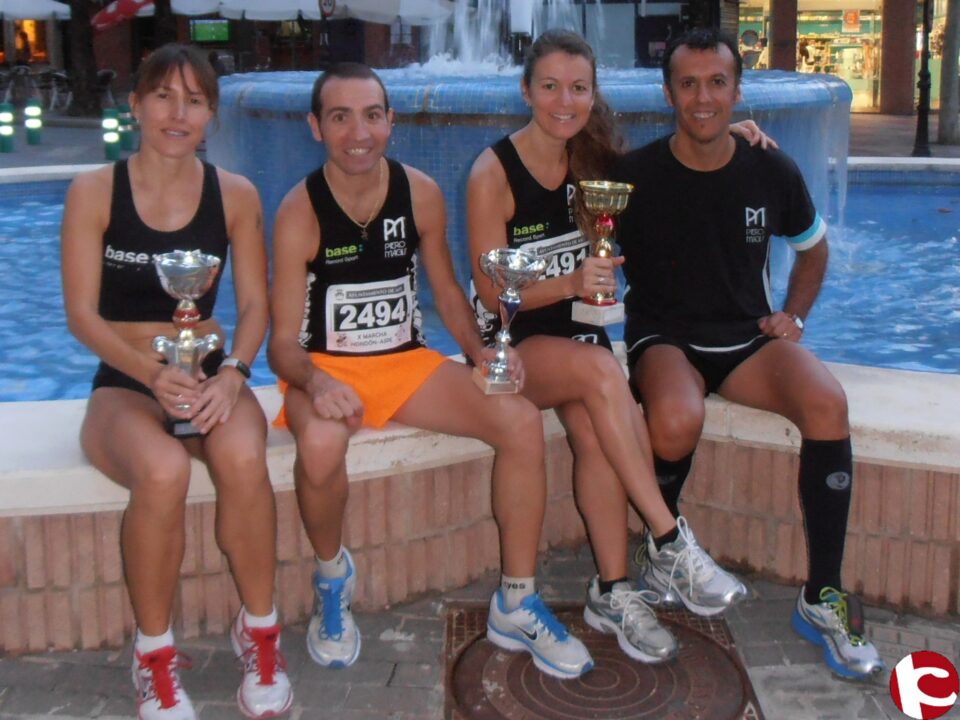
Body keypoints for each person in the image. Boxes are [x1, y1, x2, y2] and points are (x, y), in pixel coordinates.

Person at [268, 62, 594, 680]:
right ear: (317, 127)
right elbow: (281, 345)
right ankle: (333, 579)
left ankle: (517, 601)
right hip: (327, 370)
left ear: (390, 121)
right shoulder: (298, 211)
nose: (358, 132)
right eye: (340, 117)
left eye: (371, 115)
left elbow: (447, 293)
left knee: (520, 422)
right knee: (316, 445)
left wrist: (483, 355)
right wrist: (317, 383)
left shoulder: (418, 191)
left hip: (405, 364)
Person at [467, 29, 765, 665]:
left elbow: (674, 164)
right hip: (515, 341)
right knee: (605, 374)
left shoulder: (595, 162)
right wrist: (572, 281)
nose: (564, 101)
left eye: (578, 88)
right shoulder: (492, 171)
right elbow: (493, 294)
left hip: (578, 337)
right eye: (549, 87)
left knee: (604, 434)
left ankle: (614, 592)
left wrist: (732, 137)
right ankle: (668, 538)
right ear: (527, 90)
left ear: (592, 93)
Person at [616, 27, 884, 680]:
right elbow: (588, 241)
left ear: (737, 91)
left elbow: (814, 247)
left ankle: (822, 596)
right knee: (678, 416)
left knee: (826, 402)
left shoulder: (771, 169)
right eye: (688, 84)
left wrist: (794, 314)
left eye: (717, 83)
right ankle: (661, 549)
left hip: (746, 340)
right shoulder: (637, 175)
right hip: (666, 338)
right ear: (668, 93)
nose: (703, 98)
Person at [61, 44, 292, 719]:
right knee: (162, 471)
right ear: (135, 105)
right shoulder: (94, 192)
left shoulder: (237, 196)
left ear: (210, 115)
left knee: (245, 455)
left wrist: (236, 377)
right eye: (163, 95)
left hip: (213, 374)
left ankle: (260, 633)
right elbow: (81, 314)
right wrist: (152, 375)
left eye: (194, 100)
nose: (177, 112)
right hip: (129, 380)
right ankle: (154, 655)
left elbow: (255, 306)